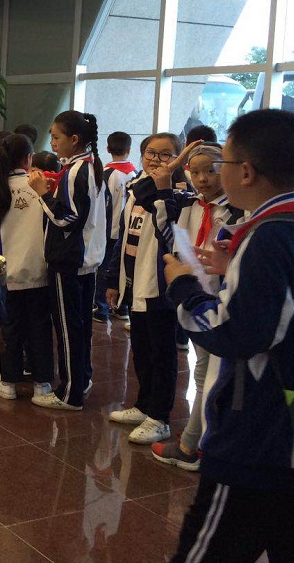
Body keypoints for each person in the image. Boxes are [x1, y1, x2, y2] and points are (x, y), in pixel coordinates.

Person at [164, 109, 294, 562]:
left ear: (246, 171)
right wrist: (235, 270)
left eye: (222, 163)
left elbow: (237, 333)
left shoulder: (272, 236)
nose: (217, 173)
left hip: (260, 439)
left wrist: (184, 288)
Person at [152, 142, 243, 470]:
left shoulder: (236, 212)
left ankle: (192, 445)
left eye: (211, 170)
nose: (203, 179)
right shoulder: (189, 205)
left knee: (208, 372)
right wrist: (166, 180)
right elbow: (166, 234)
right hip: (193, 296)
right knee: (204, 370)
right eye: (196, 172)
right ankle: (197, 440)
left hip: (217, 301)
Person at [103, 133, 195, 442]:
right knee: (141, 349)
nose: (156, 159)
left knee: (162, 353)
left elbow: (167, 223)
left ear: (177, 159)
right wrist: (113, 280)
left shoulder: (180, 193)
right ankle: (143, 405)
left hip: (159, 284)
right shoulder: (135, 187)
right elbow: (123, 237)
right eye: (151, 153)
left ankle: (159, 417)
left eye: (165, 154)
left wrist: (168, 177)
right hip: (135, 280)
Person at [28, 111, 106, 411]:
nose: (52, 142)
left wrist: (42, 195)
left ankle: (70, 393)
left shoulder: (76, 172)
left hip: (69, 260)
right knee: (81, 325)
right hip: (86, 258)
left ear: (74, 140)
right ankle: (81, 379)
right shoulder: (90, 164)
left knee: (68, 327)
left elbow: (66, 219)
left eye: (56, 136)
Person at [0, 134, 54, 400]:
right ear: (29, 158)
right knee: (40, 328)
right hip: (41, 270)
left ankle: (8, 383)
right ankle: (42, 384)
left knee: (11, 328)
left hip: (8, 273)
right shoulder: (44, 187)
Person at [94, 131, 137, 323]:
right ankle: (122, 307)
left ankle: (101, 308)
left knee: (104, 269)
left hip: (108, 231)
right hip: (128, 231)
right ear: (129, 149)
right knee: (124, 269)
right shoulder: (136, 174)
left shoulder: (105, 174)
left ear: (108, 149)